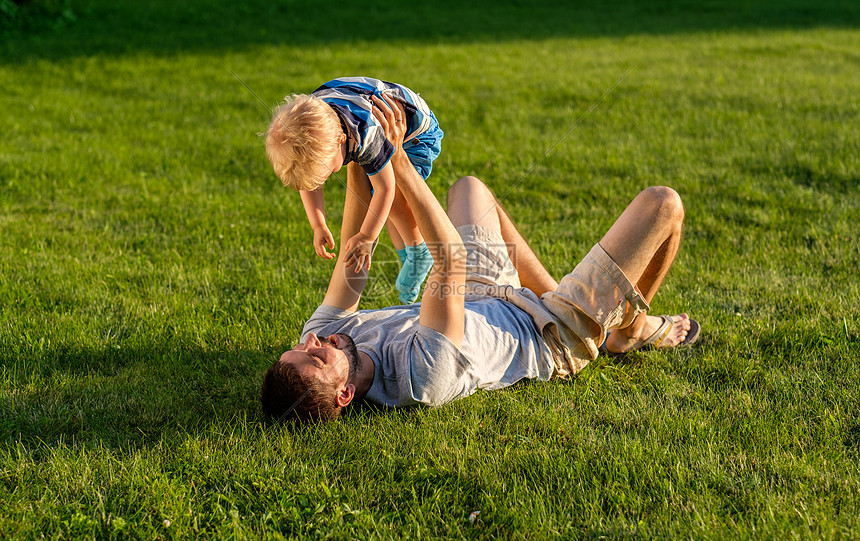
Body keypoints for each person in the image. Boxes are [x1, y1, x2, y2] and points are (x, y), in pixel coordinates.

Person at [261, 94, 700, 424]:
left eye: (299, 348)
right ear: (344, 395)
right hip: (549, 334)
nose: (314, 342)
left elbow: (350, 260)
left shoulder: (323, 336)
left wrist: (360, 150)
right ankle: (629, 330)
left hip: (480, 292)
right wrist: (397, 157)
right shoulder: (419, 377)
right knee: (663, 205)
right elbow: (448, 259)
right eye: (315, 358)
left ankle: (565, 299)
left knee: (470, 188)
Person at [265, 76, 443, 303]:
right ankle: (406, 255)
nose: (325, 179)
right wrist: (318, 224)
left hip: (417, 133)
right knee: (379, 207)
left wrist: (366, 236)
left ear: (341, 140)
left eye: (327, 172)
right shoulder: (320, 127)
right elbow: (309, 182)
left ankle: (419, 252)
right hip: (363, 108)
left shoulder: (365, 135)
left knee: (393, 196)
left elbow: (385, 190)